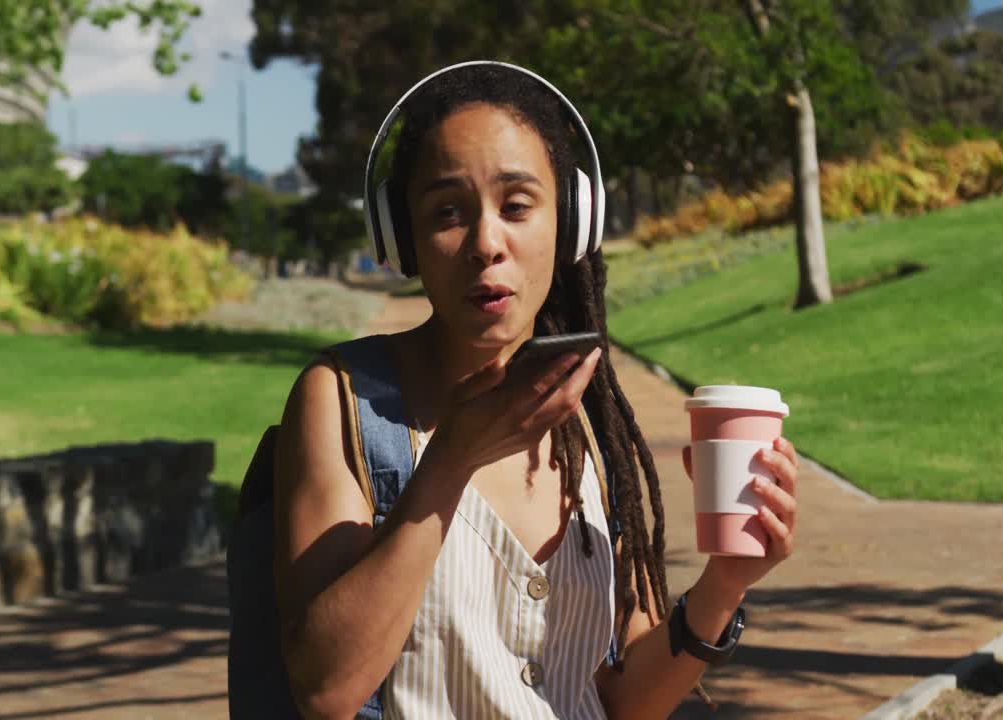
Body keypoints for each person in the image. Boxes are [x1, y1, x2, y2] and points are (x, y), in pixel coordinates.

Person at [270, 62, 799, 719]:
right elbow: (325, 689)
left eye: (517, 206)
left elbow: (624, 697)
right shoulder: (345, 400)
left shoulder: (589, 417)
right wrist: (450, 462)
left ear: (573, 220)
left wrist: (724, 583)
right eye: (446, 212)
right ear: (401, 237)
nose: (486, 243)